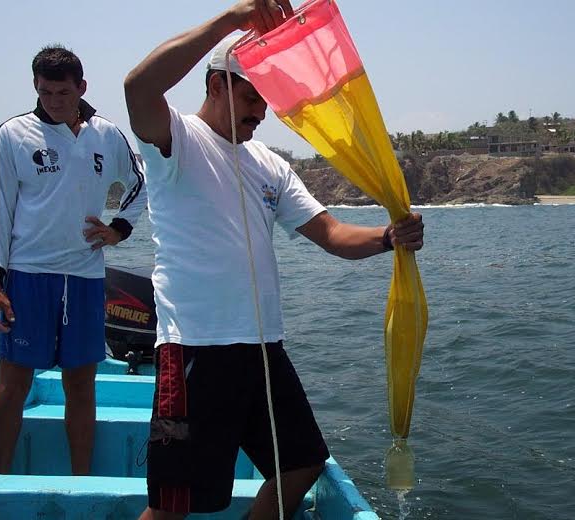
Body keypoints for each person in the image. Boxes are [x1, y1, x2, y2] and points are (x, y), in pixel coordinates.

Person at [124, 1, 424, 518]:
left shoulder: (268, 164)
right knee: (173, 504)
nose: (261, 112)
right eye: (251, 97)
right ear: (216, 84)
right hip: (194, 349)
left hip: (262, 350)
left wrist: (388, 237)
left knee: (302, 464)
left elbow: (330, 233)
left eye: (267, 102)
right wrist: (231, 20)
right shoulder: (176, 143)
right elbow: (138, 88)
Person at [0, 44, 147, 476]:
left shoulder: (107, 135)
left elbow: (140, 183)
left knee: (81, 384)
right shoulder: (13, 134)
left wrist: (119, 229)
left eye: (62, 93)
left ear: (82, 88)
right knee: (14, 382)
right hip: (28, 275)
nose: (53, 102)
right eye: (45, 92)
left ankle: (81, 481)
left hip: (86, 277)